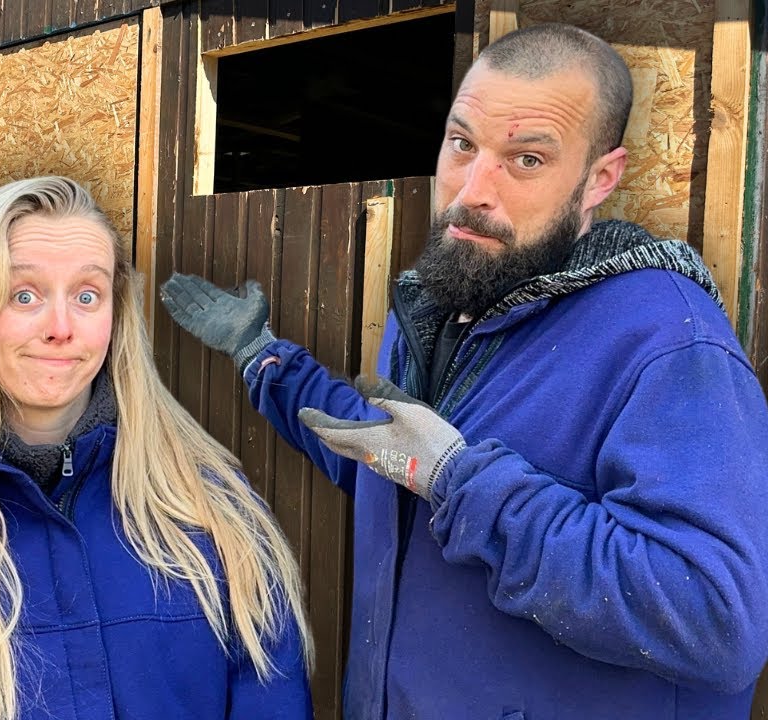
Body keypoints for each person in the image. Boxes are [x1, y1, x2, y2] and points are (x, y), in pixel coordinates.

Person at [161, 23, 768, 720]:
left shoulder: (669, 342)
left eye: (527, 159)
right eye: (462, 144)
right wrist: (263, 357)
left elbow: (718, 620)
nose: (472, 189)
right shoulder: (444, 302)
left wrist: (457, 479)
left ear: (601, 178)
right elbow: (392, 461)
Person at [0, 176, 313, 720]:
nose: (61, 327)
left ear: (115, 318)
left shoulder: (213, 509)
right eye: (24, 295)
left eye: (87, 296)